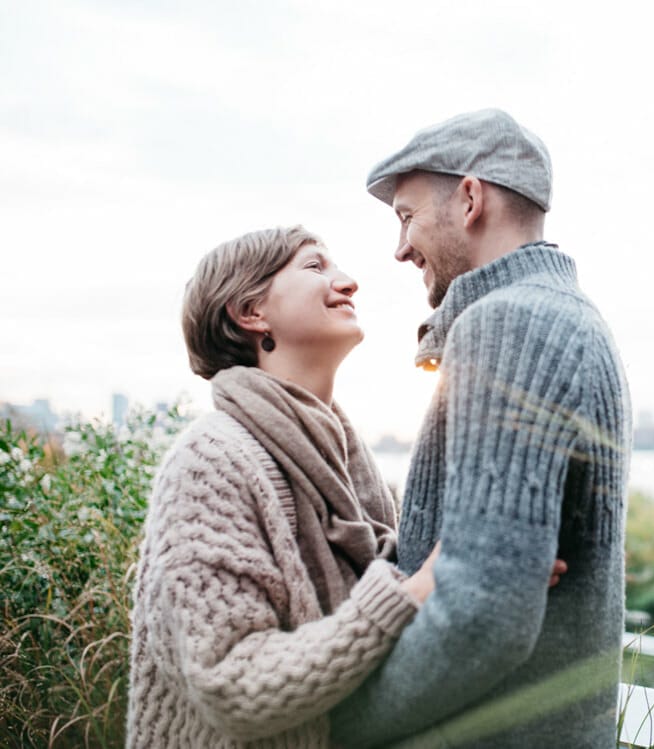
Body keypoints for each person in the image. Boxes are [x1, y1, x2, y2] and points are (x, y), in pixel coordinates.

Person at [332, 109, 632, 748]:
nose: (400, 247)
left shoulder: (510, 324)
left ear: (470, 198)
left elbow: (482, 615)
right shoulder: (566, 315)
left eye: (406, 217)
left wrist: (340, 728)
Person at [126, 226, 439, 748]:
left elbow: (415, 565)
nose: (348, 282)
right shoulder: (211, 462)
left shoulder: (342, 463)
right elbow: (231, 682)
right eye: (315, 267)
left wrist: (485, 565)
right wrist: (410, 595)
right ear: (251, 313)